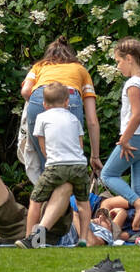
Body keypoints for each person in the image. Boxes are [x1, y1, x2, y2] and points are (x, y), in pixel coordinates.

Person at [99, 38, 140, 236]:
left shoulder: (133, 83)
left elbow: (137, 115)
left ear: (129, 59)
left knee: (108, 175)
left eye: (118, 61)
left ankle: (137, 204)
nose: (118, 66)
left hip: (135, 138)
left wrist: (124, 139)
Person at [17, 82, 93, 247]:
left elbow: (42, 146)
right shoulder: (74, 119)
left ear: (44, 104)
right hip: (79, 165)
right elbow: (80, 145)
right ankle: (83, 239)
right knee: (83, 203)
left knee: (35, 200)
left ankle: (30, 238)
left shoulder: (41, 117)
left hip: (56, 165)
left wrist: (51, 159)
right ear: (67, 102)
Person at [20, 37, 102, 175]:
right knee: (71, 157)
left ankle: (46, 190)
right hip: (69, 96)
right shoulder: (80, 69)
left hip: (40, 97)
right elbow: (92, 121)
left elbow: (26, 91)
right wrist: (95, 156)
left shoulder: (39, 66)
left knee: (46, 163)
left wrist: (43, 103)